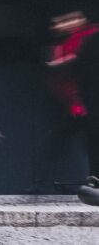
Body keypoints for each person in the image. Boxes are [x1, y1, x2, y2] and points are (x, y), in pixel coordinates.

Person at [44, 10, 99, 186]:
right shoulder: (69, 41)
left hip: (82, 102)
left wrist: (59, 62)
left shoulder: (87, 36)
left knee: (84, 136)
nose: (59, 26)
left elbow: (78, 64)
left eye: (66, 21)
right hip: (76, 101)